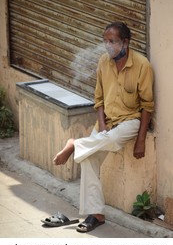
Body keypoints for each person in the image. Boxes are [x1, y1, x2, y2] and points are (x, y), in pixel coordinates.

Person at [53, 21, 154, 233]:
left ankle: (75, 143)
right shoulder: (103, 62)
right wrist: (101, 123)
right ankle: (96, 214)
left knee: (111, 139)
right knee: (89, 158)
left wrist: (141, 140)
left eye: (112, 41)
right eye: (105, 41)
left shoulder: (142, 65)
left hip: (130, 121)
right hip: (107, 120)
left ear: (125, 42)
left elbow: (147, 106)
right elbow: (98, 98)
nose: (107, 46)